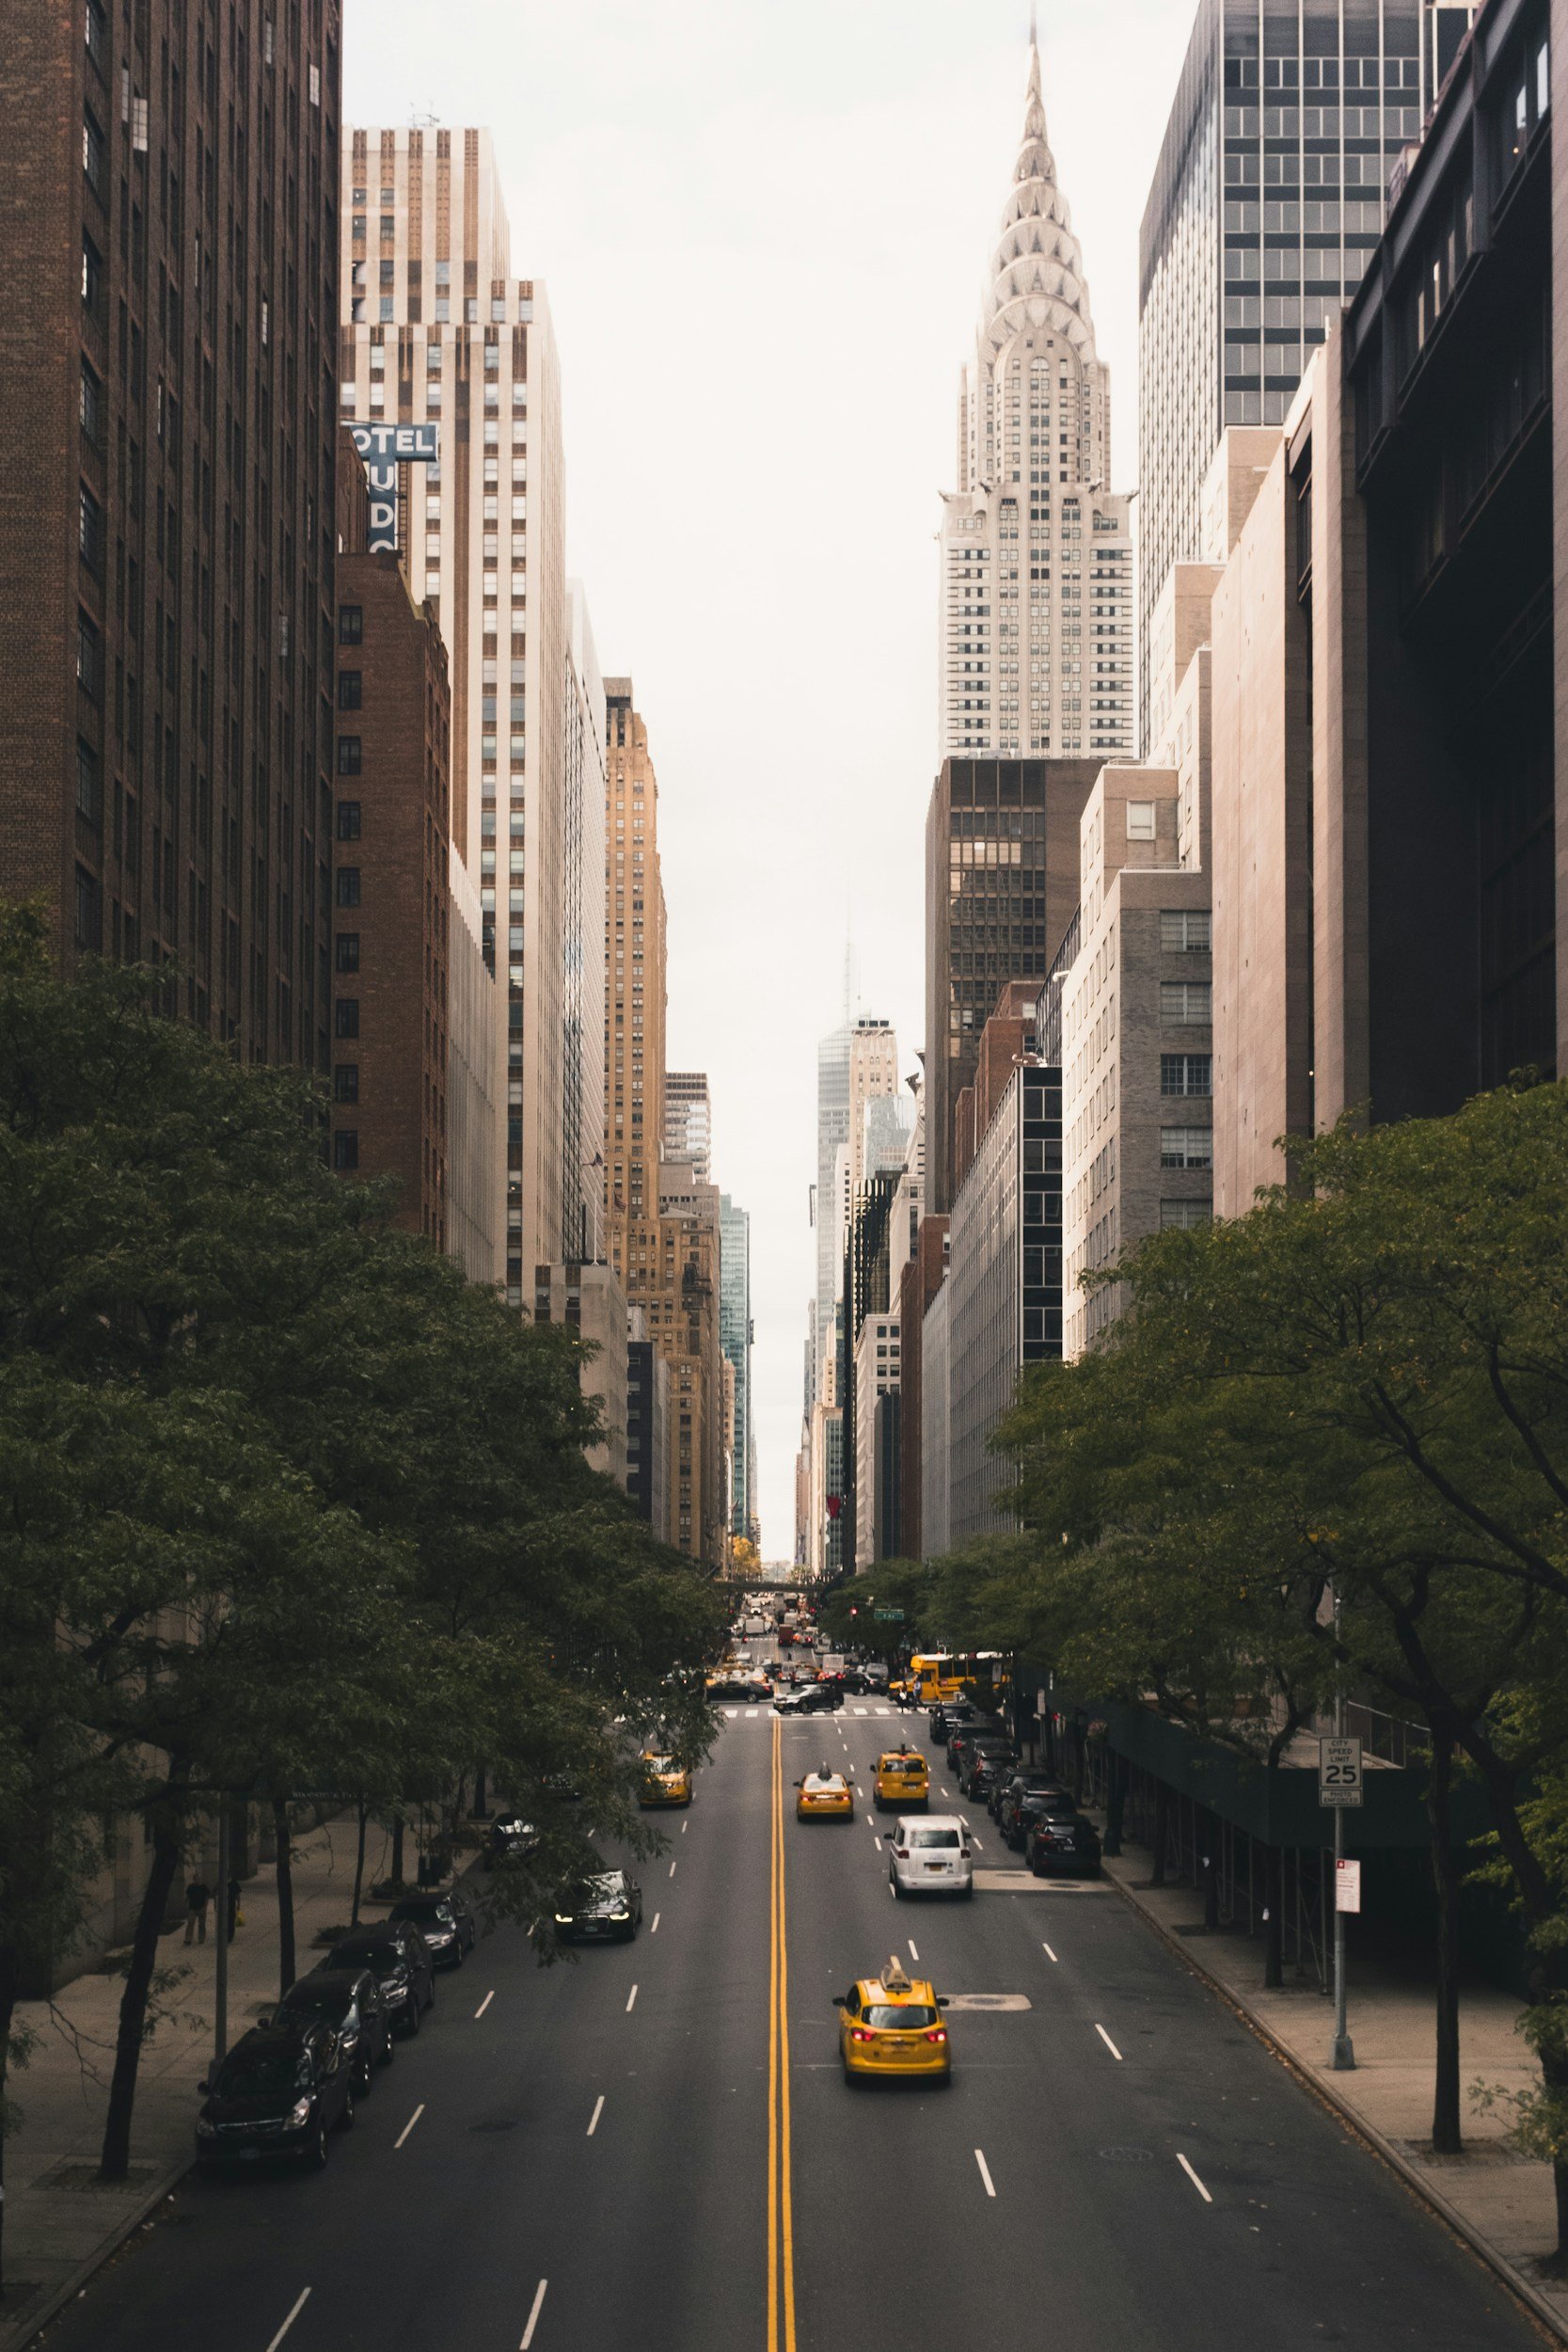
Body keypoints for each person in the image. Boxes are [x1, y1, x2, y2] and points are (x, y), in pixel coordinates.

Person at [183, 1878, 212, 1945]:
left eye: (199, 1879)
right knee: (190, 1922)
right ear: (194, 1880)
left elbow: (206, 1897)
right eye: (197, 1879)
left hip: (201, 1907)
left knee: (201, 1924)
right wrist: (186, 1904)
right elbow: (187, 1896)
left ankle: (201, 1939)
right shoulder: (191, 1887)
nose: (198, 1881)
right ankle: (188, 1939)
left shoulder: (204, 1887)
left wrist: (205, 1907)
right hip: (192, 1907)